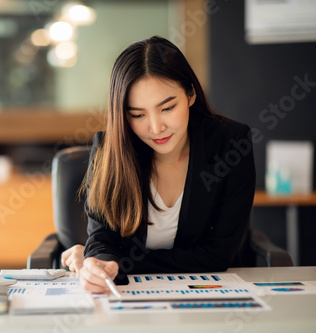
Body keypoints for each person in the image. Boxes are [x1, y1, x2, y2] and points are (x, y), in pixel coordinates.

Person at [61, 36, 256, 294]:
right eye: (138, 115)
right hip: (130, 299)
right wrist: (96, 261)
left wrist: (118, 261)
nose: (155, 128)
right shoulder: (110, 149)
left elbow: (216, 256)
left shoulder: (231, 143)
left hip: (209, 293)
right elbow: (102, 238)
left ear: (191, 94)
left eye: (167, 108)